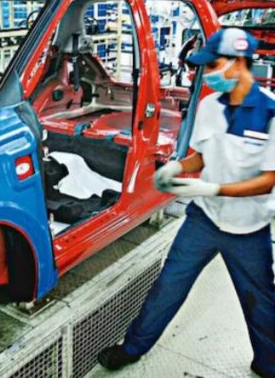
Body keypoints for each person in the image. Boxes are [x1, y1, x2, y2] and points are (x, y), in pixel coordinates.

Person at [97, 28, 275, 377]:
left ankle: (269, 363)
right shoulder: (210, 106)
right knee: (169, 285)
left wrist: (214, 189)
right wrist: (178, 167)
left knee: (260, 302)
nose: (207, 74)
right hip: (203, 220)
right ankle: (132, 348)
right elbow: (202, 156)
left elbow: (270, 179)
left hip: (248, 228)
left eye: (214, 65)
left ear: (239, 63)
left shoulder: (270, 112)